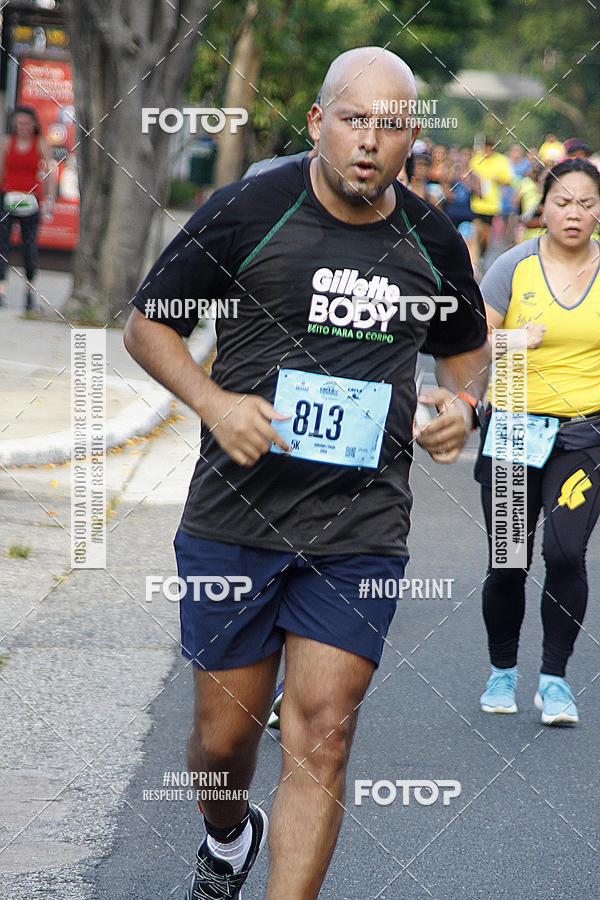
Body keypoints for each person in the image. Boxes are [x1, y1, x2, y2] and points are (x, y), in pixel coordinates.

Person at [124, 46, 489, 900]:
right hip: (235, 519)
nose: (369, 140)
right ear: (319, 121)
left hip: (360, 527)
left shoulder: (432, 239)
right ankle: (227, 835)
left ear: (412, 139)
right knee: (224, 743)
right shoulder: (249, 208)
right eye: (353, 119)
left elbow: (468, 352)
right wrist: (216, 404)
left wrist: (463, 408)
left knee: (323, 733)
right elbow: (147, 326)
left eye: (390, 126)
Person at [475, 159, 600, 726]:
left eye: (587, 204)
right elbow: (470, 346)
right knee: (508, 561)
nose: (575, 213)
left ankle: (554, 680)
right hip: (514, 430)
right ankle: (502, 672)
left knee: (566, 553)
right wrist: (512, 342)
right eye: (563, 202)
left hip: (583, 436)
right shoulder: (513, 266)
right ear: (542, 207)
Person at [0, 105, 57, 310]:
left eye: (26, 124)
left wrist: (50, 198)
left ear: (34, 125)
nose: (22, 127)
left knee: (29, 246)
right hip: (7, 197)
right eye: (19, 123)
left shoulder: (40, 144)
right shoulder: (7, 143)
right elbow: (1, 170)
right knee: (2, 244)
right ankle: (2, 290)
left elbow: (50, 171)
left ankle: (30, 291)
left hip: (30, 199)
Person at [470, 137, 513, 261]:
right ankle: (474, 257)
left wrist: (497, 179)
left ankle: (481, 255)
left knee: (486, 235)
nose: (487, 152)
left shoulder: (501, 161)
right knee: (476, 230)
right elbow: (472, 176)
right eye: (485, 149)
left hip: (491, 205)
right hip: (477, 204)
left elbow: (509, 181)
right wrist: (476, 187)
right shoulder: (476, 159)